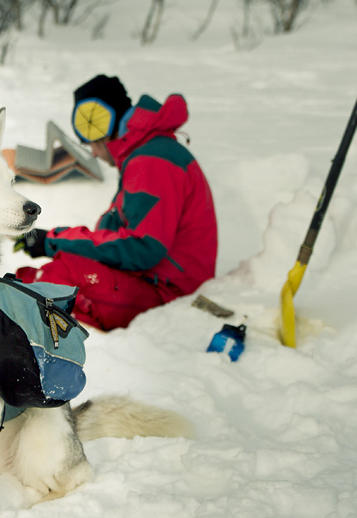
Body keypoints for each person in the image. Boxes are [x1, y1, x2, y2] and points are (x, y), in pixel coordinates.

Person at [14, 74, 218, 331]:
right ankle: (15, 300)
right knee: (51, 276)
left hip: (170, 292)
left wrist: (54, 241)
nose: (95, 154)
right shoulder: (147, 153)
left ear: (100, 125)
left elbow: (140, 247)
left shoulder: (151, 161)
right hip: (157, 280)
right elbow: (118, 231)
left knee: (59, 278)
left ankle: (15, 313)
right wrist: (55, 242)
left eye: (93, 145)